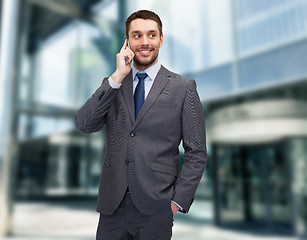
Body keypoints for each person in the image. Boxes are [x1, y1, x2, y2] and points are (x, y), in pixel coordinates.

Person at [75, 9, 207, 240]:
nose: (145, 42)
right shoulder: (114, 85)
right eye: (137, 36)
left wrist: (176, 203)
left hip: (157, 208)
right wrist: (116, 77)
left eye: (151, 35)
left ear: (161, 39)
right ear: (127, 41)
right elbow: (84, 124)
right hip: (112, 207)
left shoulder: (184, 88)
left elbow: (196, 153)